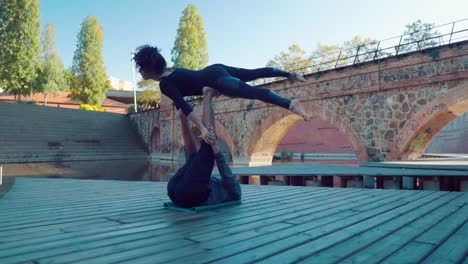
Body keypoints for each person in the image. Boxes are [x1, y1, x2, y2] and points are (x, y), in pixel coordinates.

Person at [133, 45, 310, 142]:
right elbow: (183, 97)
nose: (139, 71)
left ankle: (290, 103)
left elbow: (186, 107)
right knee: (252, 73)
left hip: (216, 81)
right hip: (215, 69)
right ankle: (290, 75)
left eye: (141, 67)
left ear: (149, 68)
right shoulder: (171, 71)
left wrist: (202, 128)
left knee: (253, 92)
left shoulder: (164, 84)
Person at [167, 87, 241, 208]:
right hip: (174, 190)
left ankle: (208, 95)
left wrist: (215, 149)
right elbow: (192, 159)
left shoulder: (236, 193)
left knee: (208, 143)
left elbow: (226, 173)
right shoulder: (206, 182)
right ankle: (183, 119)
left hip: (189, 193)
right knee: (194, 156)